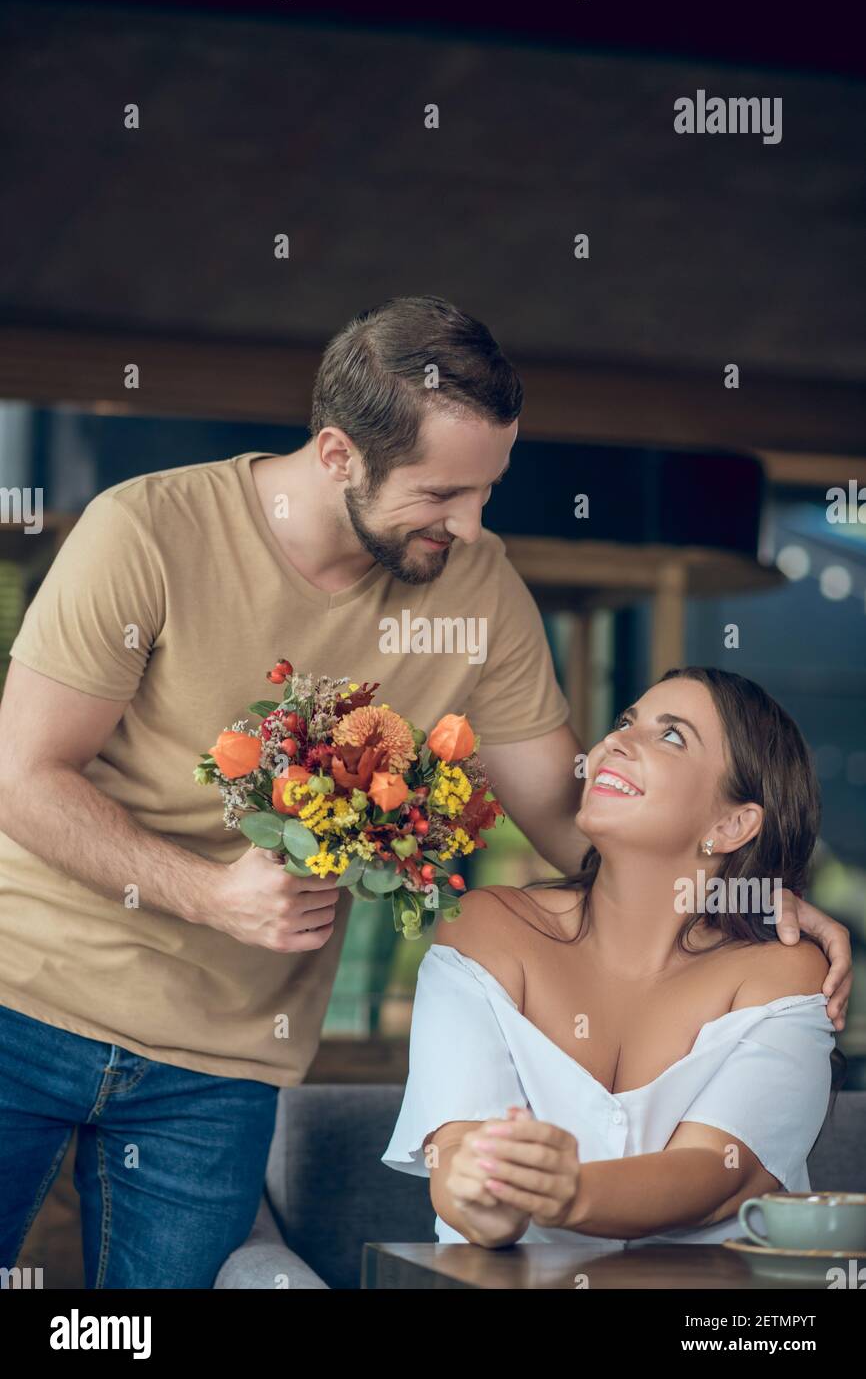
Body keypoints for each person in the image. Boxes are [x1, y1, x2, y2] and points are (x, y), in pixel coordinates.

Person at [0, 296, 850, 1287]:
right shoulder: (145, 530)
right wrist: (204, 892)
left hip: (217, 1062)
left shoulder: (477, 587)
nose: (473, 524)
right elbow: (22, 776)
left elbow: (564, 812)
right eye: (442, 493)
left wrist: (735, 887)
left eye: (486, 488)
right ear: (336, 455)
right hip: (23, 999)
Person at [381, 667, 846, 1249]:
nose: (613, 742)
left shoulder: (782, 975)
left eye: (671, 735)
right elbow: (456, 1156)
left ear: (732, 824)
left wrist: (567, 1192)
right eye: (625, 721)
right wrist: (487, 1201)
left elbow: (719, 1177)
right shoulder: (484, 930)